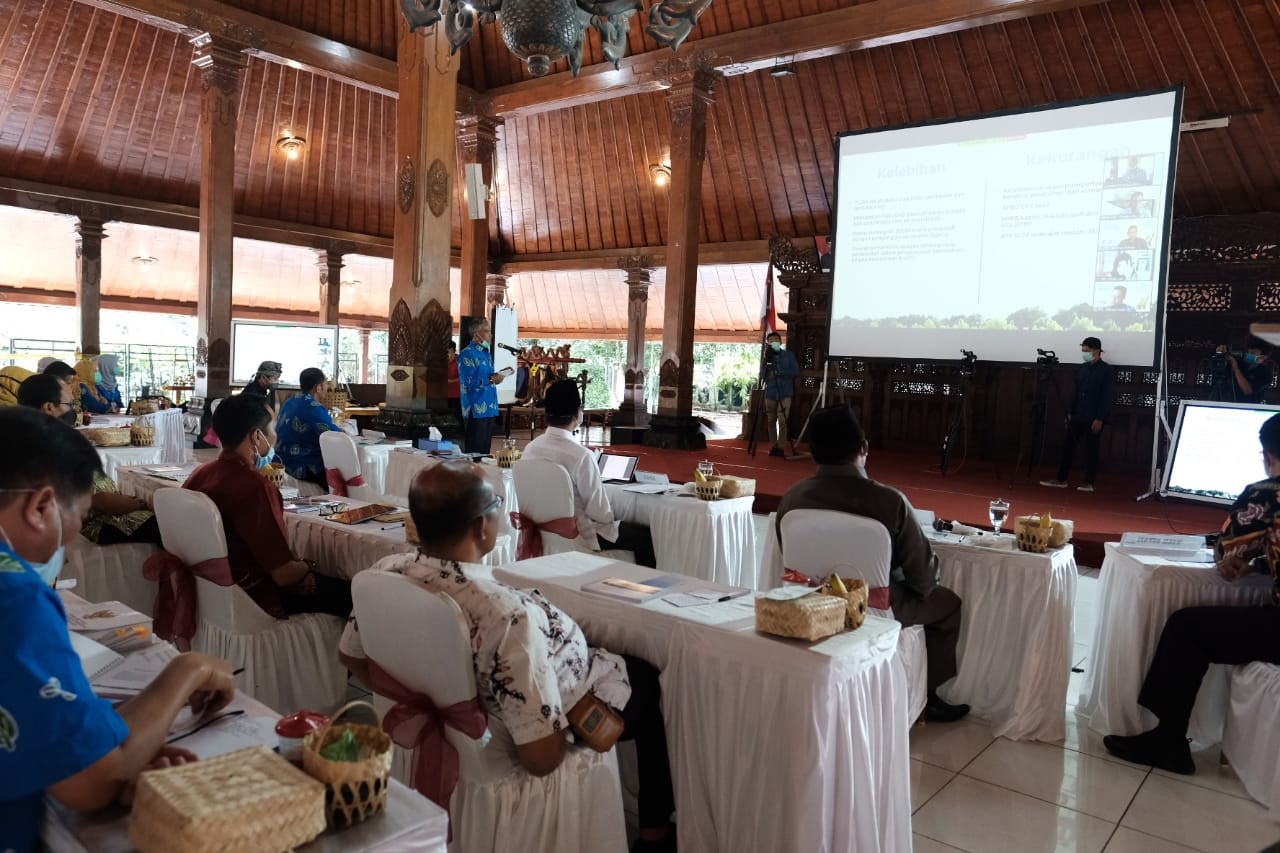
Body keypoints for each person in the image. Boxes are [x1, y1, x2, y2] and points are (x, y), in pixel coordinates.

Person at [338, 461, 676, 851]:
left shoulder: (384, 573)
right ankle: (655, 837)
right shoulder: (506, 615)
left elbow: (352, 657)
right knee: (648, 683)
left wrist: (428, 697)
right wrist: (467, 714)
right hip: (512, 738)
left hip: (466, 717)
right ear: (483, 527)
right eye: (498, 504)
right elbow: (539, 758)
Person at [0, 406, 235, 852]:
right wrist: (190, 669)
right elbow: (92, 782)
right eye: (81, 516)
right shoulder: (16, 597)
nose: (71, 541)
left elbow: (73, 746)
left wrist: (120, 754)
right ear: (40, 506)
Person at [1103, 414, 1280, 775]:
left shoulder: (1266, 494)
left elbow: (1227, 548)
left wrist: (1239, 555)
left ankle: (1168, 741)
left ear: (1268, 456)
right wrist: (1261, 562)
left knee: (1187, 628)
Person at [775, 404, 969, 723]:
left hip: (810, 603)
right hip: (875, 607)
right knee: (947, 604)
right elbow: (923, 579)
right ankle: (928, 696)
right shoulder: (890, 501)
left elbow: (792, 558)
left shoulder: (792, 499)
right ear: (863, 448)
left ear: (813, 454)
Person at [185, 394, 351, 618]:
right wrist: (310, 563)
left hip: (209, 590)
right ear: (256, 436)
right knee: (357, 595)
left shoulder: (200, 474)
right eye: (272, 428)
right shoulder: (255, 486)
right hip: (255, 595)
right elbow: (284, 574)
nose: (275, 435)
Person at [521, 380, 658, 567]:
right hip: (579, 535)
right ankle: (645, 590)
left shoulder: (530, 449)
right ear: (578, 414)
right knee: (645, 537)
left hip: (543, 529)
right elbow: (600, 514)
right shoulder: (580, 456)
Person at [17, 375, 159, 545]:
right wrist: (97, 501)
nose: (75, 411)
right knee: (172, 526)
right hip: (93, 527)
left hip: (108, 514)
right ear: (49, 408)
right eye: (70, 405)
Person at [1041, 336, 1114, 493]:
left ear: (1096, 350)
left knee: (1091, 449)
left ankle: (1089, 482)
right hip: (1077, 415)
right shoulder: (1082, 368)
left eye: (1086, 350)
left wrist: (1100, 418)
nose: (1084, 353)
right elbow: (1075, 393)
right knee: (1068, 447)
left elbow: (1106, 396)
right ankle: (1061, 479)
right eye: (1082, 350)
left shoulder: (1106, 370)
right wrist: (1070, 413)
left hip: (1094, 417)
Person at [275, 368, 341, 488]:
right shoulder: (314, 408)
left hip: (280, 459)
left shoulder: (290, 401)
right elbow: (337, 437)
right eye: (325, 384)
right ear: (318, 387)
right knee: (342, 476)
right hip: (301, 464)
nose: (327, 388)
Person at [457, 319, 502, 455]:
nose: (491, 335)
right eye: (487, 331)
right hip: (476, 409)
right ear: (477, 335)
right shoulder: (467, 354)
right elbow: (469, 382)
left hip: (490, 407)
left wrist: (496, 378)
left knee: (485, 452)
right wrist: (491, 379)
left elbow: (486, 378)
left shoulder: (486, 353)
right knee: (475, 453)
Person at [762, 331, 800, 457]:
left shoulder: (789, 355)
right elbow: (762, 375)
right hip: (771, 392)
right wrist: (767, 374)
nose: (773, 342)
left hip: (785, 392)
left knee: (782, 420)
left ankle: (781, 446)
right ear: (768, 343)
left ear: (780, 342)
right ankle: (774, 446)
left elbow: (795, 371)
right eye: (771, 340)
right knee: (771, 420)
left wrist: (780, 372)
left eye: (775, 340)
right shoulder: (767, 357)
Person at [1218, 339, 1274, 404]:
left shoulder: (1265, 372)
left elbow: (1248, 391)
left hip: (1250, 407)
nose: (1249, 355)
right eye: (1248, 352)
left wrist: (1236, 370)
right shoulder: (1241, 363)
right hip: (1229, 404)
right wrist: (1222, 353)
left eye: (1253, 353)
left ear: (1264, 357)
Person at [446, 339, 462, 421]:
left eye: (449, 351)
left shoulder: (459, 361)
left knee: (455, 417)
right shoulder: (443, 361)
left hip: (456, 395)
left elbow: (463, 377)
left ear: (453, 350)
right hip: (444, 395)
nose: (448, 354)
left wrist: (450, 381)